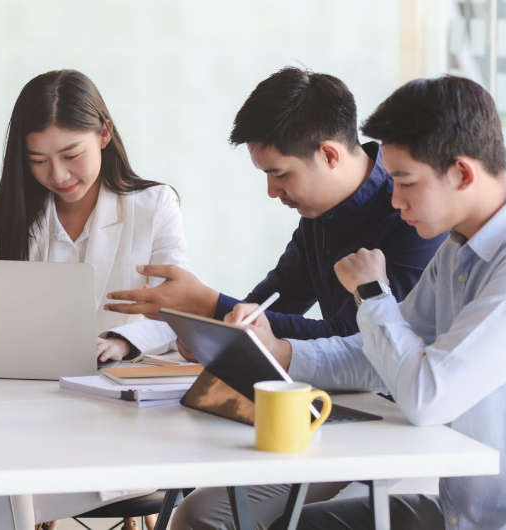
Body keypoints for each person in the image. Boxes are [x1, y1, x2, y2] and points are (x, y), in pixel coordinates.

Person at [224, 75, 506, 529]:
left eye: (406, 182)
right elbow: (383, 353)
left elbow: (427, 397)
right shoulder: (461, 247)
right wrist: (282, 351)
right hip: (466, 514)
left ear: (461, 173)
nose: (395, 200)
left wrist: (373, 293)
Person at [104, 68, 446, 530]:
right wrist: (220, 328)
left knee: (202, 516)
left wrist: (211, 305)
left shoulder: (411, 217)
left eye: (279, 174)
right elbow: (271, 302)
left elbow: (363, 344)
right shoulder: (319, 215)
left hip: (386, 424)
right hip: (333, 406)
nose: (271, 191)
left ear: (328, 154)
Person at [0, 69, 189, 528]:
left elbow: (177, 310)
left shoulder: (154, 205)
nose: (58, 175)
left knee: (4, 489)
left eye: (71, 155)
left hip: (121, 411)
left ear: (104, 134)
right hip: (30, 408)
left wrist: (121, 341)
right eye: (38, 160)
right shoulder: (8, 217)